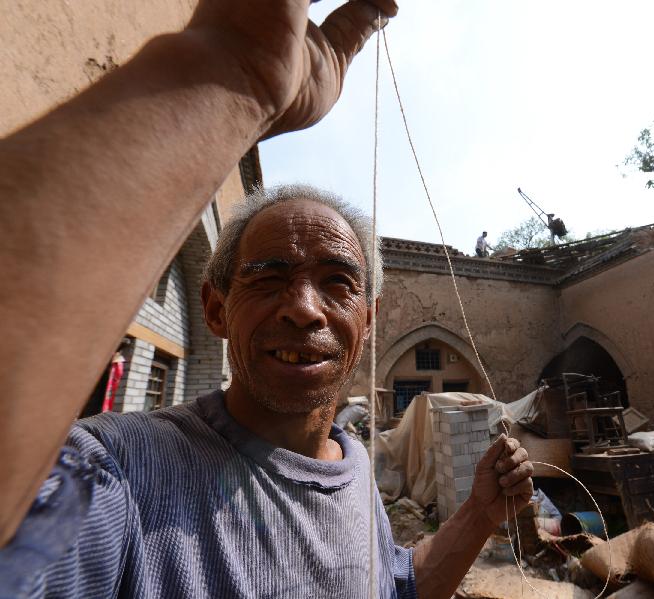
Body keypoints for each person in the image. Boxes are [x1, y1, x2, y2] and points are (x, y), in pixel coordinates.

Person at [0, 1, 534, 598]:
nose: (304, 308)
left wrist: (479, 515)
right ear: (215, 311)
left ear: (368, 316)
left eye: (337, 282)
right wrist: (232, 77)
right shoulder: (121, 471)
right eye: (268, 277)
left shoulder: (353, 469)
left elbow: (393, 587)